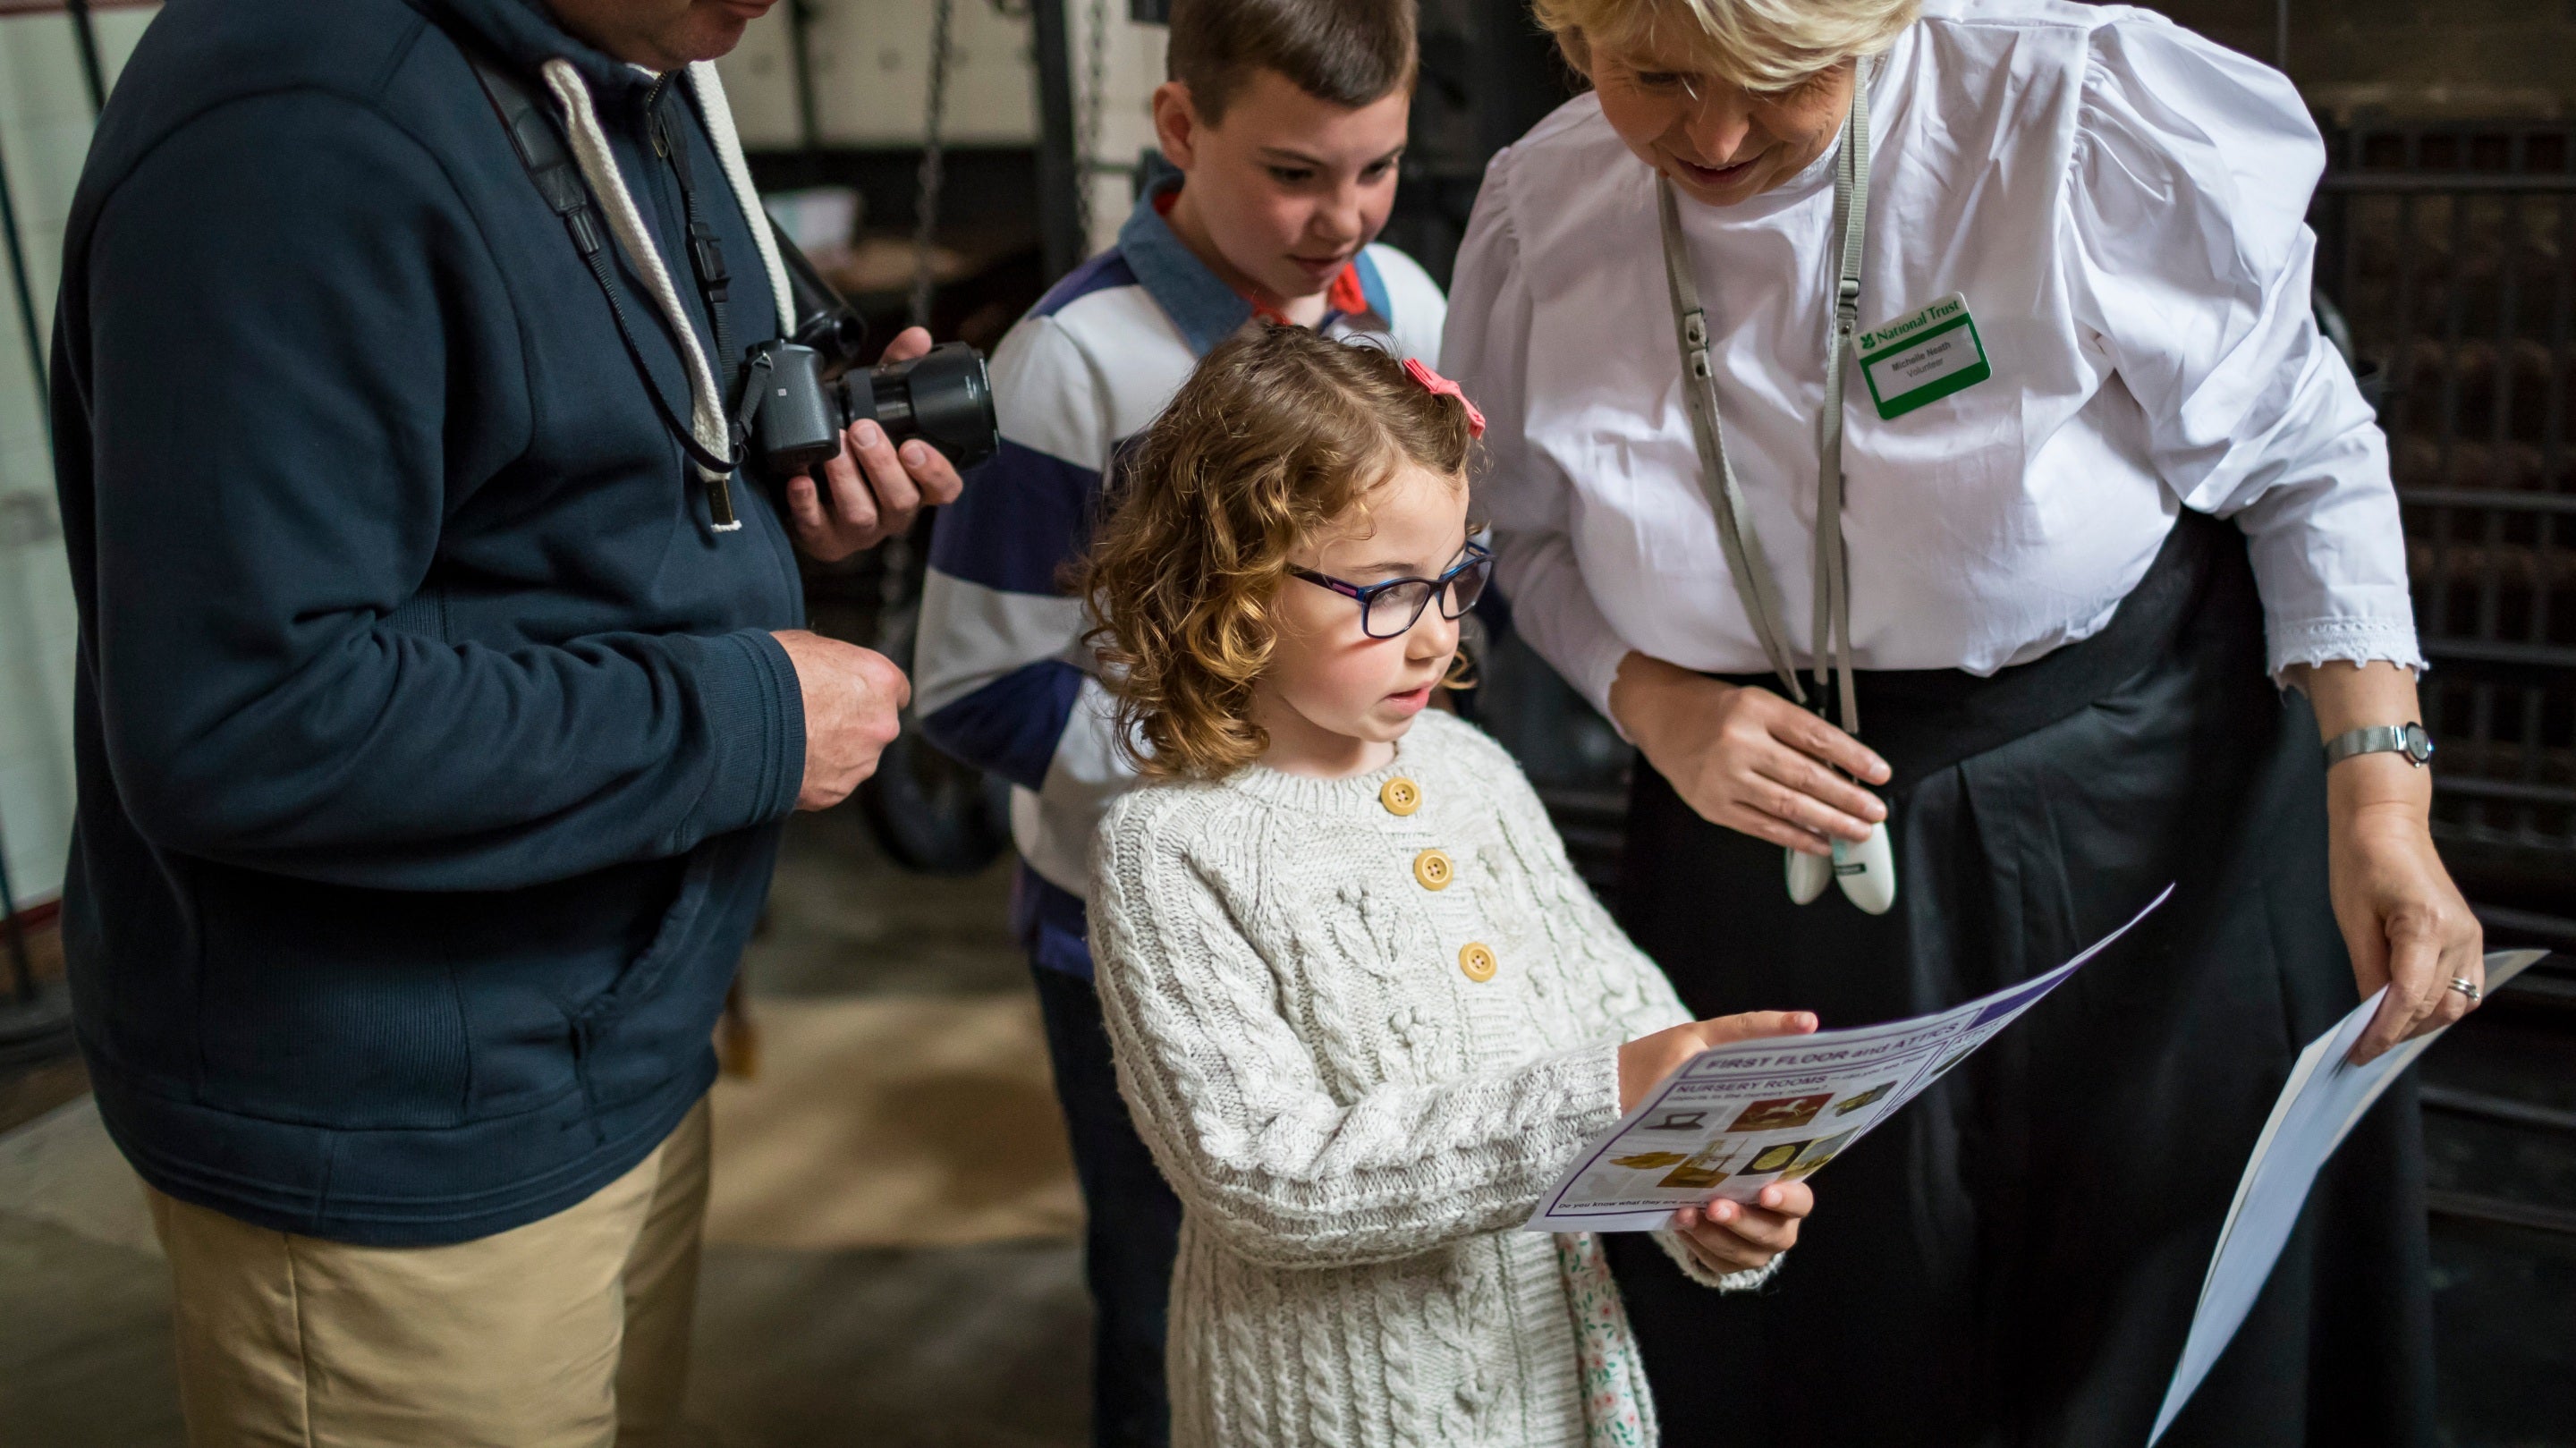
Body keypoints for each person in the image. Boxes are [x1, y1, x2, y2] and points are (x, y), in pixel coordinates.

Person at [1443, 0, 2484, 1444]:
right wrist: (1652, 697)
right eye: (1659, 79)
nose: (1721, 136)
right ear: (1576, 36)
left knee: (2160, 1332)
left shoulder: (2067, 116)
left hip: (2124, 816)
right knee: (1812, 1335)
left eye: (1784, 79)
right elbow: (1516, 537)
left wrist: (2382, 797)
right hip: (1749, 837)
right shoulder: (1539, 212)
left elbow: (2304, 455)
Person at [51, 0, 960, 1442]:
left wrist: (787, 493)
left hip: (614, 1025)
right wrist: (753, 719)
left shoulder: (631, 60)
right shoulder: (301, 128)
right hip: (409, 1115)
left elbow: (577, 472)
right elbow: (250, 718)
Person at [1080, 325, 1817, 1448]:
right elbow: (1264, 1180)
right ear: (1230, 582)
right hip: (1335, 1410)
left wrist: (1692, 1187)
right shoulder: (1169, 850)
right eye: (1384, 593)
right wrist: (1607, 1099)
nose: (1435, 638)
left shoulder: (1469, 771)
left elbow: (1610, 1004)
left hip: (1549, 1387)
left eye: (1455, 578)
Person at [909, 0, 1445, 1439]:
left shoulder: (1403, 310)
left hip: (1364, 891)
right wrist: (1239, 780)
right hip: (1142, 933)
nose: (1343, 217)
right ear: (1180, 127)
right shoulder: (1073, 365)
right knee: (1171, 1296)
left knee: (1351, 1273)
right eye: (1293, 173)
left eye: (1376, 168)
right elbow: (977, 685)